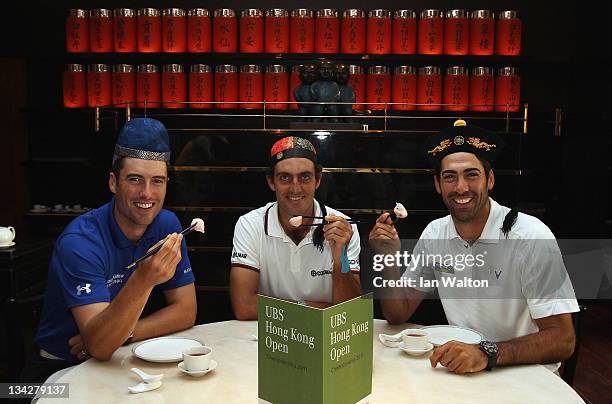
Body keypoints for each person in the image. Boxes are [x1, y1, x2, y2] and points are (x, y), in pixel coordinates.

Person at [368, 119, 579, 374]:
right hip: (462, 370)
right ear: (438, 185)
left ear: (489, 180)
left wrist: (487, 353)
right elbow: (397, 314)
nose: (461, 188)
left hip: (525, 375)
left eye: (471, 175)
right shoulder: (436, 233)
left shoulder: (530, 236)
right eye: (449, 177)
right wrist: (389, 259)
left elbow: (562, 339)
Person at [22, 118, 197, 383]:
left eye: (157, 181)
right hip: (57, 368)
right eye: (135, 179)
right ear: (114, 183)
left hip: (122, 356)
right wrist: (144, 278)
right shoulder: (80, 241)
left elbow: (186, 310)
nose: (147, 193)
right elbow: (100, 347)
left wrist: (125, 333)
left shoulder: (167, 224)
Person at [230, 136, 361, 320]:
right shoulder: (250, 225)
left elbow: (351, 311)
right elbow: (244, 306)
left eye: (305, 177)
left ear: (318, 180)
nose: (295, 188)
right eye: (285, 178)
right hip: (272, 337)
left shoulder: (343, 227)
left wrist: (341, 258)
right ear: (271, 182)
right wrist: (309, 307)